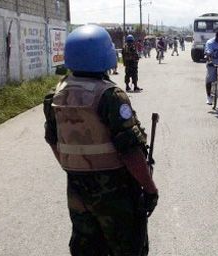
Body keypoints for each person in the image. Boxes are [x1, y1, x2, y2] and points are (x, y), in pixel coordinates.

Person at [43, 25, 159, 255]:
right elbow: (130, 151)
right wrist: (149, 188)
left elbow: (53, 141)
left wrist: (75, 168)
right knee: (128, 247)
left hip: (77, 187)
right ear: (104, 55)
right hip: (116, 189)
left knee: (86, 247)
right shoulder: (110, 96)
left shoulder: (55, 95)